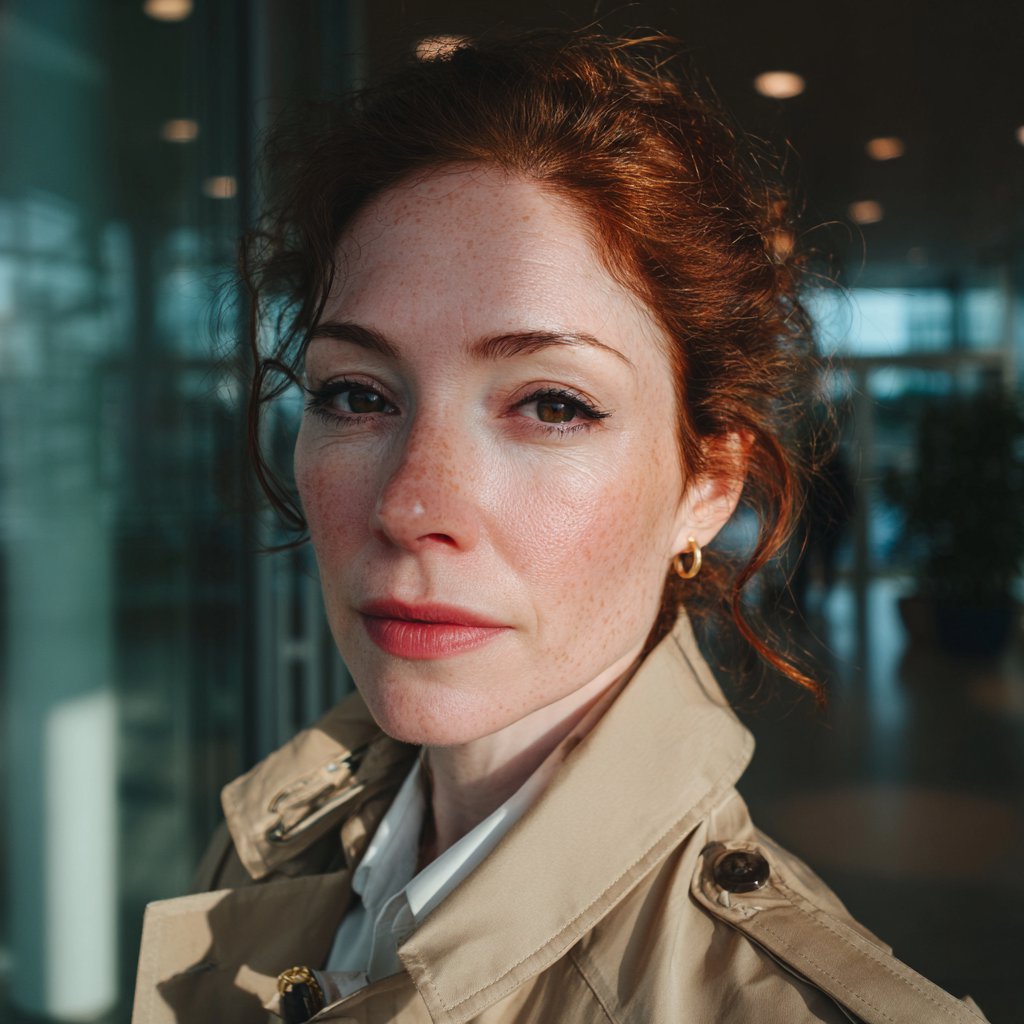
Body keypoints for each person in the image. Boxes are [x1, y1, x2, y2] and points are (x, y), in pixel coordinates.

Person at [132, 31, 988, 1023]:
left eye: (551, 405)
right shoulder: (267, 847)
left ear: (707, 485)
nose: (411, 506)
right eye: (357, 394)